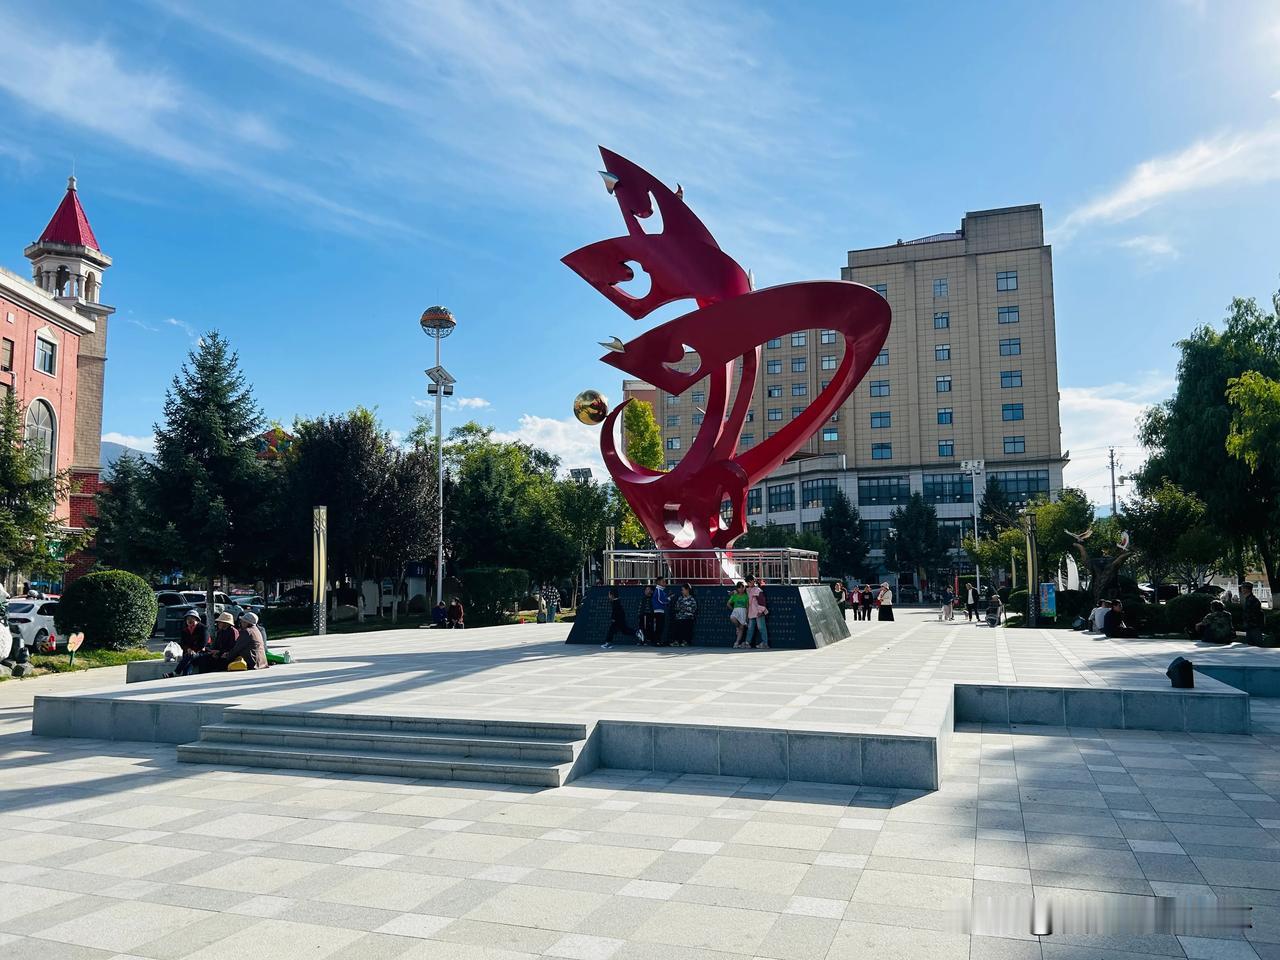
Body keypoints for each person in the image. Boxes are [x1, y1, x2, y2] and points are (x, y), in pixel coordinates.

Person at [175, 611, 208, 677]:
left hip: (200, 653)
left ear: (196, 619)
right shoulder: (184, 630)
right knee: (188, 663)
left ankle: (176, 672)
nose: (189, 620)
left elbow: (203, 643)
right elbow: (182, 643)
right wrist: (188, 649)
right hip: (188, 654)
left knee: (190, 656)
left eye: (192, 618)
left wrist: (194, 650)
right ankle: (184, 676)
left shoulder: (203, 628)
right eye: (188, 619)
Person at [745, 576, 770, 649]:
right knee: (751, 628)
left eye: (749, 582)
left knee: (761, 628)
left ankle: (765, 643)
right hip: (752, 612)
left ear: (753, 581)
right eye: (747, 582)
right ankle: (747, 643)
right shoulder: (748, 589)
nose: (748, 583)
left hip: (758, 612)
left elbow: (762, 601)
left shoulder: (757, 590)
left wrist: (760, 611)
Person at [727, 582, 750, 647]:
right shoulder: (734, 595)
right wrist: (733, 609)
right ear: (737, 588)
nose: (741, 589)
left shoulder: (746, 596)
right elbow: (728, 604)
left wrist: (747, 617)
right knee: (732, 618)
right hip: (736, 611)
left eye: (742, 587)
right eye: (739, 588)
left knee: (741, 628)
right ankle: (737, 627)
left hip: (743, 612)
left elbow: (747, 607)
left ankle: (736, 643)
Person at [651, 576, 670, 646]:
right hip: (658, 611)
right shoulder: (658, 590)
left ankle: (658, 641)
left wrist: (668, 598)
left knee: (661, 627)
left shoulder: (661, 590)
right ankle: (656, 641)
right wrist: (668, 600)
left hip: (661, 611)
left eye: (665, 582)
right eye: (663, 581)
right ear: (658, 582)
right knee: (659, 627)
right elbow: (660, 600)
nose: (665, 583)